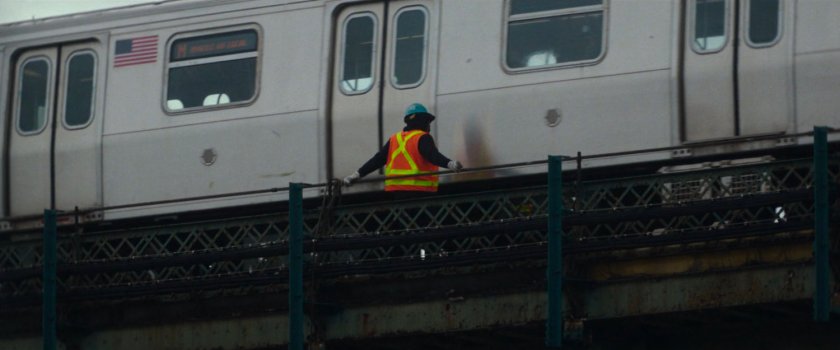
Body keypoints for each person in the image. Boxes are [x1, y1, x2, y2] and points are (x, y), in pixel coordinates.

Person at [343, 103, 462, 193]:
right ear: (421, 121)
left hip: (396, 192)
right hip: (418, 191)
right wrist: (450, 164)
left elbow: (377, 160)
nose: (429, 126)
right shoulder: (422, 137)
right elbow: (433, 156)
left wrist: (356, 175)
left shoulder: (395, 139)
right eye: (427, 122)